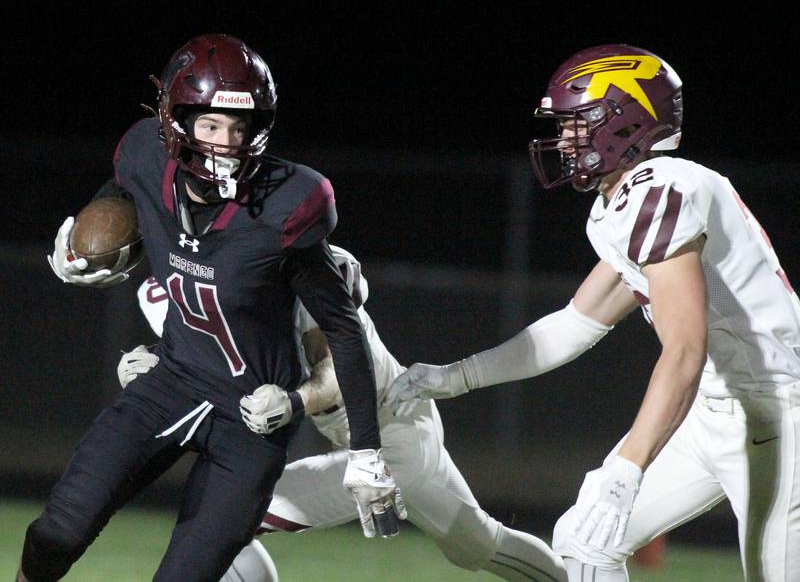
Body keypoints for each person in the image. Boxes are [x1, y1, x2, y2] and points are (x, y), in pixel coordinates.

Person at [387, 44, 800, 582]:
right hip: (718, 412)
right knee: (584, 539)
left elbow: (685, 350)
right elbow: (572, 325)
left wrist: (627, 467)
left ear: (625, 124)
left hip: (779, 414)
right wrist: (456, 376)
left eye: (578, 123)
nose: (564, 138)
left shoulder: (665, 188)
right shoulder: (622, 204)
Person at [22, 33, 404, 582]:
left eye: (240, 126)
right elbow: (122, 191)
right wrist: (81, 242)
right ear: (174, 122)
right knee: (55, 532)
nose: (225, 142)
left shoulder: (284, 205)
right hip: (171, 382)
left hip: (251, 417)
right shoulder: (144, 156)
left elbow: (344, 331)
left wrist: (367, 453)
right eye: (210, 125)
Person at [119, 245, 569, 582]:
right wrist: (156, 362)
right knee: (478, 546)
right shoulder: (237, 285)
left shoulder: (313, 294)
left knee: (223, 519)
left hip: (390, 446)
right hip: (403, 431)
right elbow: (213, 349)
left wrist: (293, 401)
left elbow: (333, 373)